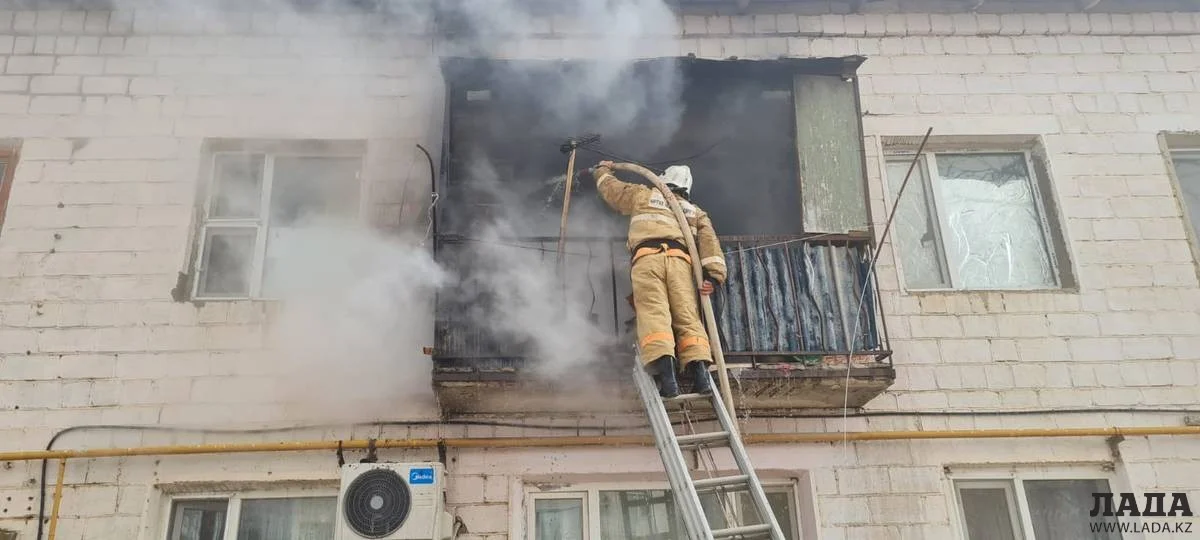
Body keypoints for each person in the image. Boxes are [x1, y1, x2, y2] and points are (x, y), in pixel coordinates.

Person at [590, 160, 727, 398]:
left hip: (648, 260)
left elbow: (612, 190)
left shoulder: (643, 194)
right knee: (688, 318)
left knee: (654, 315)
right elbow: (710, 245)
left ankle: (668, 381)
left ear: (664, 180)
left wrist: (602, 170)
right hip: (680, 264)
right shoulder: (695, 212)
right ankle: (702, 378)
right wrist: (713, 277)